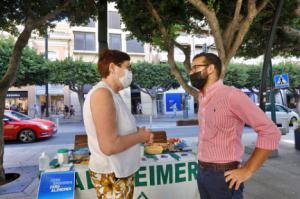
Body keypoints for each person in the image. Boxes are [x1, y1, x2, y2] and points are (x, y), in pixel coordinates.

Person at [189, 52, 281, 199]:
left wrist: (248, 170)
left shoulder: (232, 95)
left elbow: (270, 132)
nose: (190, 72)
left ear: (211, 68)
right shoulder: (202, 97)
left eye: (195, 68)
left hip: (224, 177)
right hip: (203, 173)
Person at [83, 49, 153, 199]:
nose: (130, 72)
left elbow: (120, 130)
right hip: (112, 175)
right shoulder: (102, 94)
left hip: (119, 173)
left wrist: (141, 134)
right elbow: (109, 146)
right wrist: (139, 137)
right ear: (112, 68)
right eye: (128, 67)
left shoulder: (113, 93)